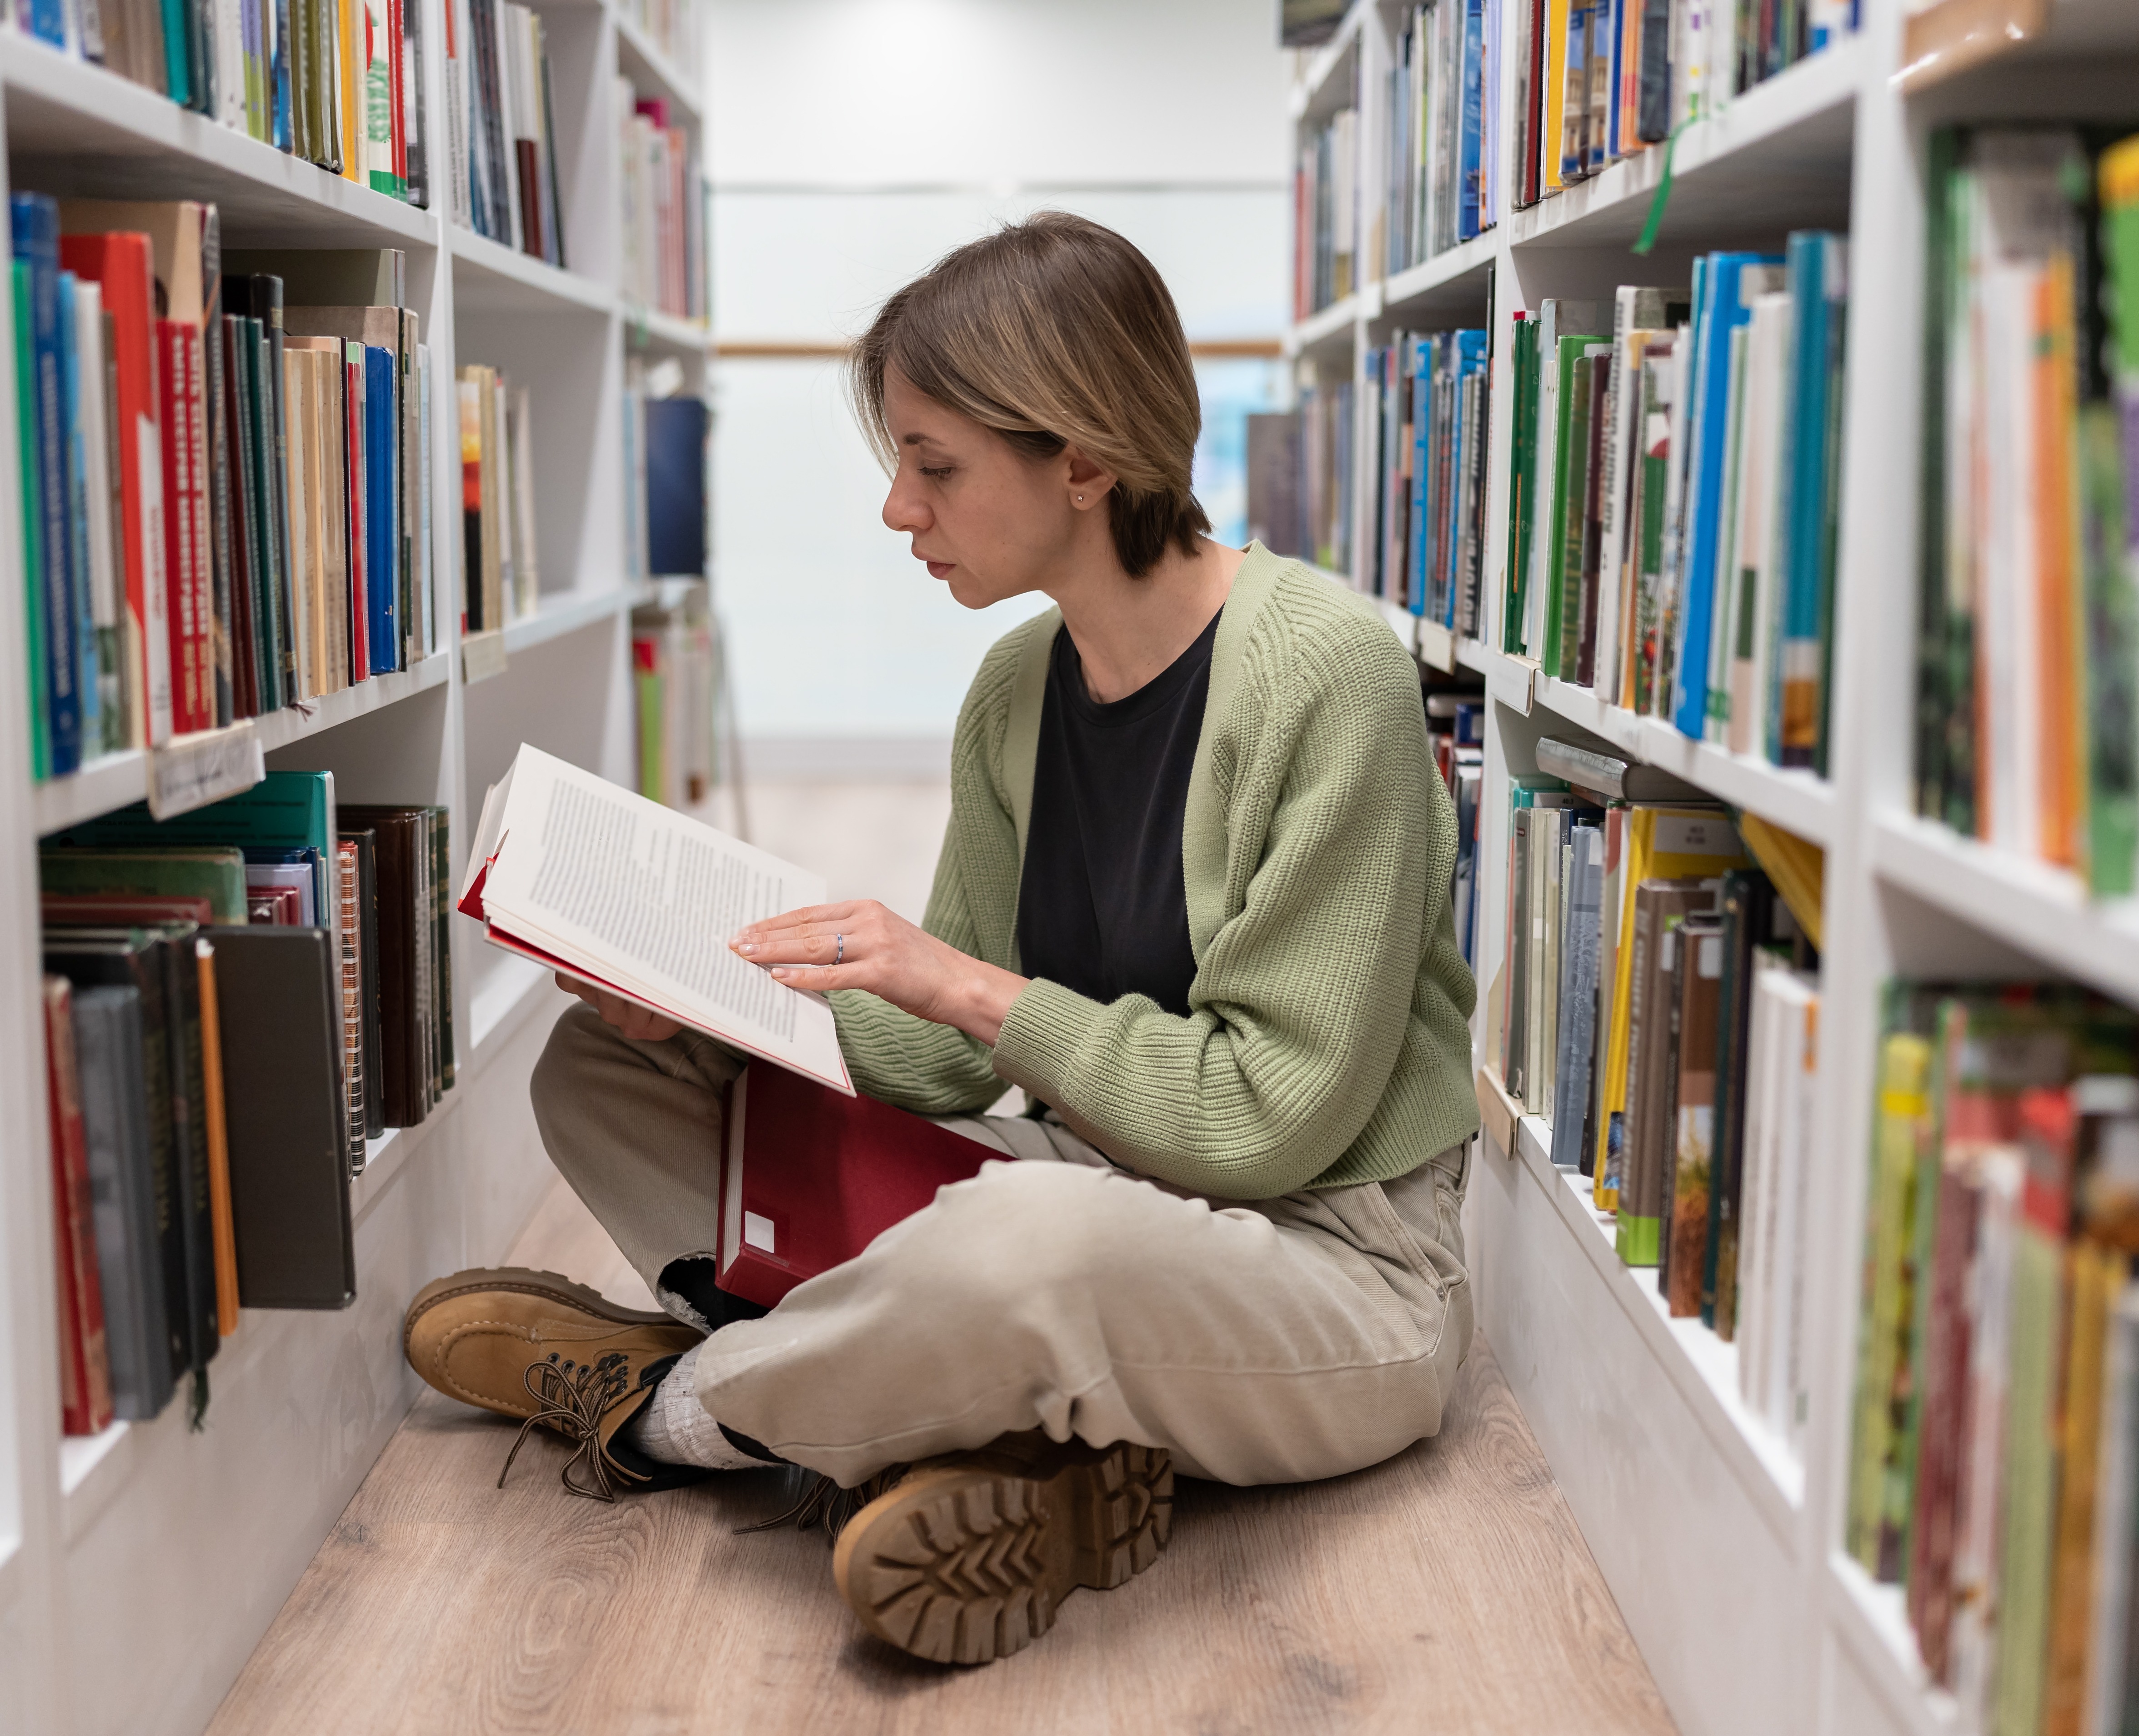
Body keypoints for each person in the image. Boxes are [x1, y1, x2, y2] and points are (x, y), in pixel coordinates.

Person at [404, 211, 1479, 1666]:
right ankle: (985, 1445)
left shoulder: (1328, 674)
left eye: (936, 464)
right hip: (1102, 1180)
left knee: (1019, 1242)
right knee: (599, 1076)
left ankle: (682, 1411)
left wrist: (977, 988)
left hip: (1331, 1267)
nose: (900, 510)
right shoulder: (1017, 687)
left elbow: (1266, 1124)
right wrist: (708, 1001)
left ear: (1086, 462)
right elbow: (943, 1059)